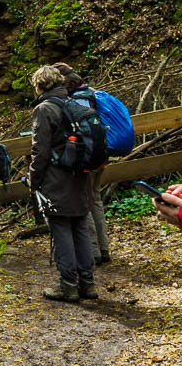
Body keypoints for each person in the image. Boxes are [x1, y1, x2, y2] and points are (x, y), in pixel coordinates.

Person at [28, 64, 96, 303]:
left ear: (40, 85)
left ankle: (68, 286)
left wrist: (33, 181)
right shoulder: (75, 103)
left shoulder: (44, 109)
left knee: (61, 230)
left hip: (57, 180)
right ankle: (87, 283)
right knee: (80, 227)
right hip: (80, 177)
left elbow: (40, 151)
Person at [55, 63, 110, 266]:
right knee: (95, 199)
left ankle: (93, 252)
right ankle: (103, 249)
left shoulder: (75, 100)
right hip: (102, 154)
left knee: (84, 201)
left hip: (88, 158)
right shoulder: (92, 93)